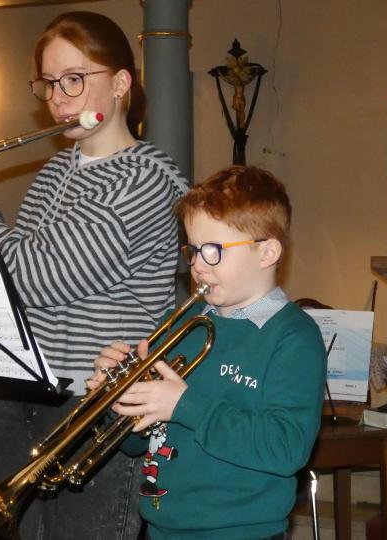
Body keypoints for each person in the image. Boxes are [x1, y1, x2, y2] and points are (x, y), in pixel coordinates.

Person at [0, 11, 188, 539]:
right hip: (25, 393)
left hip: (96, 412)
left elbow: (36, 276)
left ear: (119, 83)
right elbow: (8, 285)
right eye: (48, 83)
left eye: (74, 79)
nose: (58, 98)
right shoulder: (52, 175)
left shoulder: (148, 180)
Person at [89, 165, 327, 540]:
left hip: (241, 532)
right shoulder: (177, 323)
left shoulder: (294, 337)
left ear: (267, 252)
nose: (198, 265)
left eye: (214, 250)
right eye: (193, 250)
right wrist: (115, 400)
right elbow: (135, 443)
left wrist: (184, 405)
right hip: (160, 526)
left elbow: (286, 448)